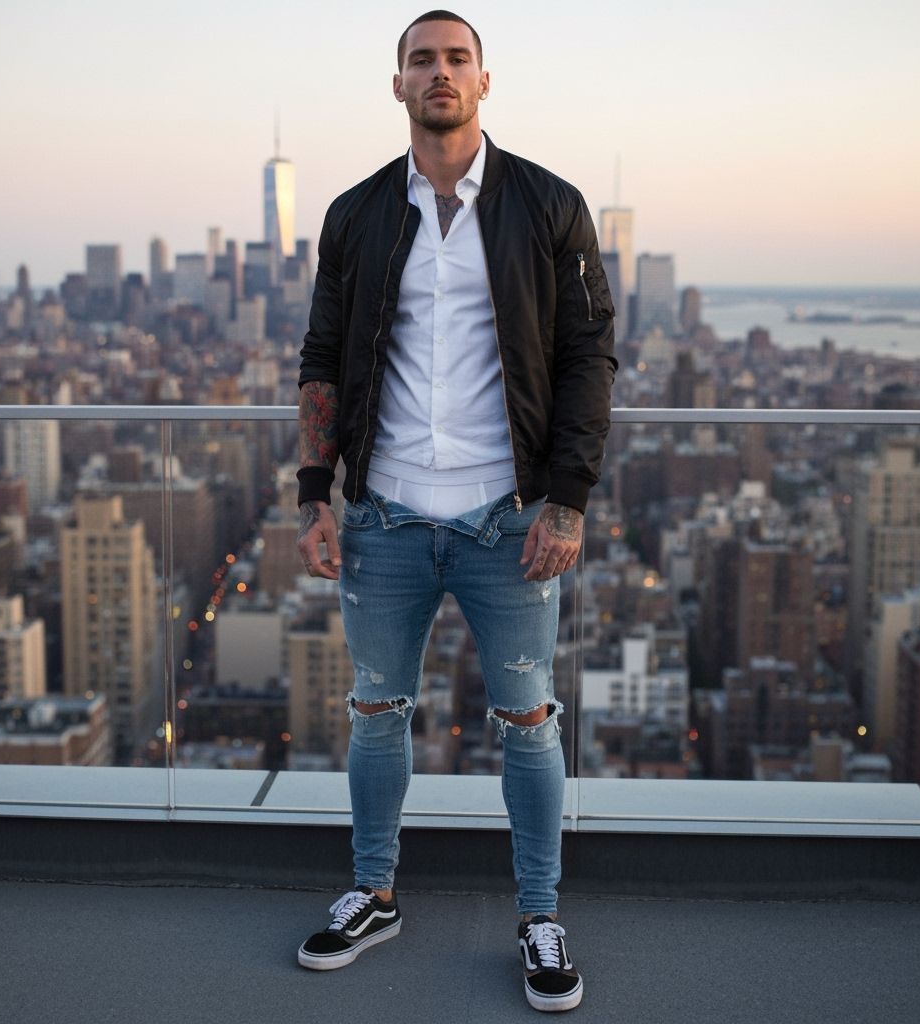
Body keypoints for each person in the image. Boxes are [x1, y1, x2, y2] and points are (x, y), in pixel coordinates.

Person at [294, 9, 617, 1012]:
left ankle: (537, 914)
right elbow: (321, 354)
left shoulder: (548, 205)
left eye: (455, 59)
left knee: (526, 719)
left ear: (484, 81)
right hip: (384, 517)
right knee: (375, 712)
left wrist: (565, 504)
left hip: (505, 520)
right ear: (397, 86)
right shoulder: (354, 214)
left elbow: (587, 355)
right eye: (420, 61)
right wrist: (315, 494)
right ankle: (373, 890)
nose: (439, 73)